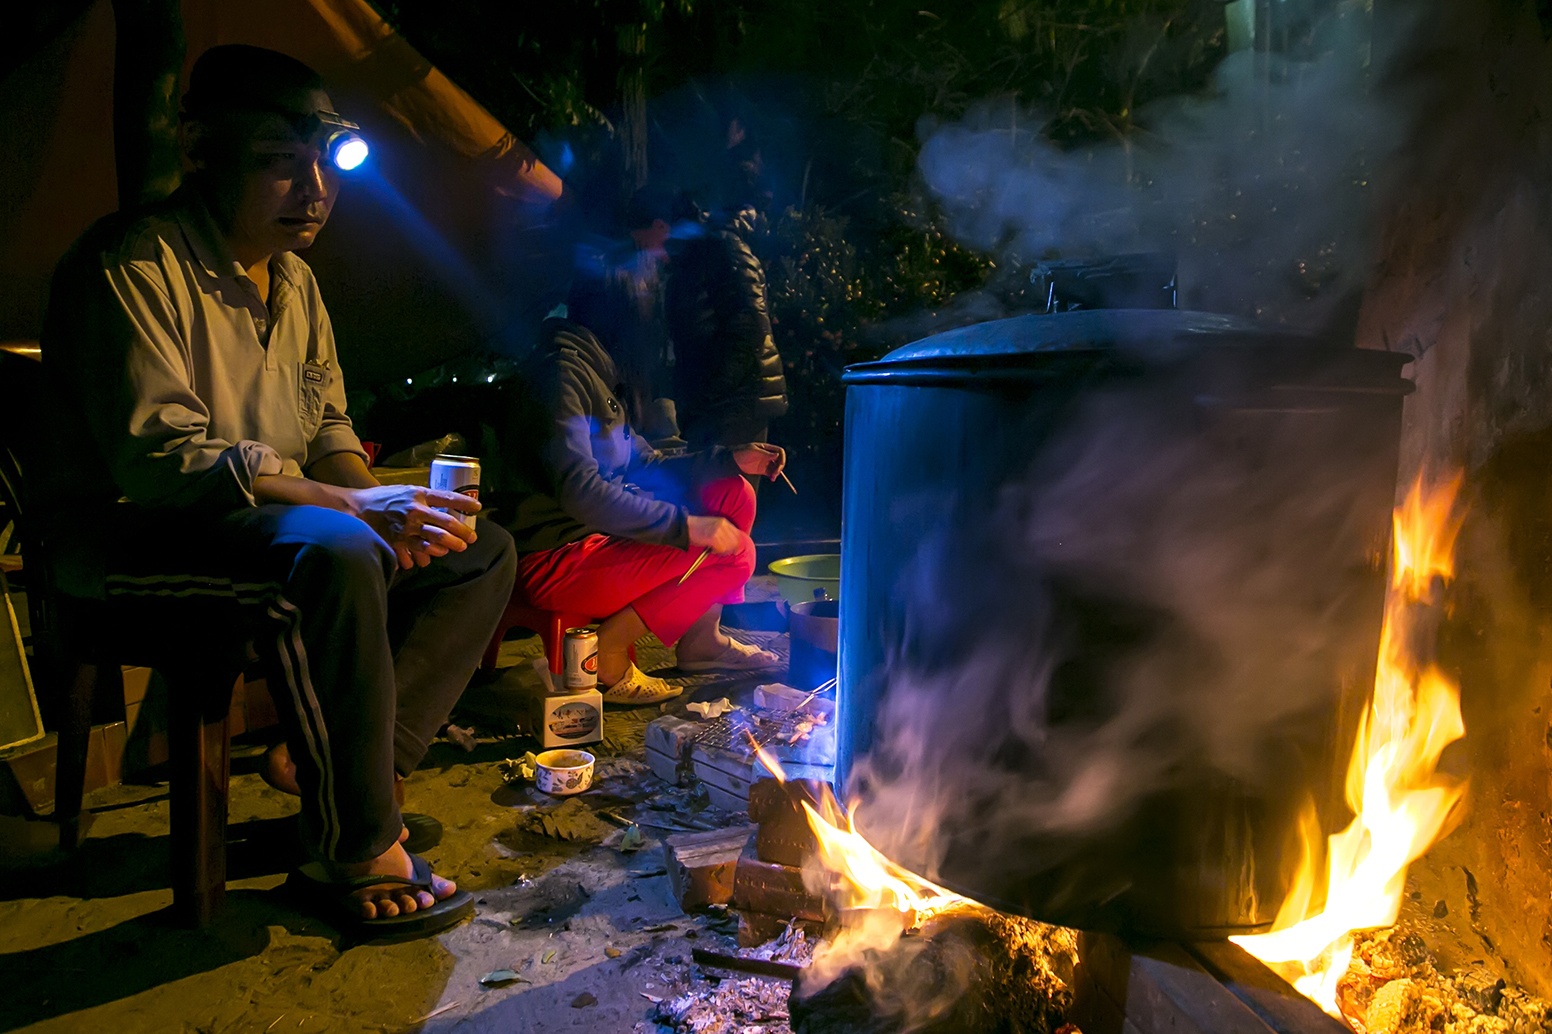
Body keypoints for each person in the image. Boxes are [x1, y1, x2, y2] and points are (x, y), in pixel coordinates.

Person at [39, 45, 516, 937]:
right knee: (334, 549)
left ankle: (346, 771)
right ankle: (354, 844)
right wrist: (354, 513)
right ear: (199, 151)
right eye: (276, 162)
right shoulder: (136, 265)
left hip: (262, 528)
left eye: (323, 165)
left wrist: (388, 511)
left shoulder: (295, 282)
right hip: (134, 537)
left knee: (476, 549)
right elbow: (162, 461)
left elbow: (329, 431)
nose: (311, 191)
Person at [497, 286, 786, 704]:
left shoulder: (595, 372)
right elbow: (581, 490)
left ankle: (701, 641)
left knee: (732, 493)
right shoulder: (561, 378)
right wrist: (682, 527)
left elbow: (644, 465)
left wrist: (728, 459)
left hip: (594, 540)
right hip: (557, 557)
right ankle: (606, 650)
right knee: (736, 553)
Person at [663, 153, 788, 451]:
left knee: (726, 496)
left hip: (736, 408)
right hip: (726, 405)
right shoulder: (705, 251)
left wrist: (707, 395)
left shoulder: (722, 247)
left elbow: (749, 330)